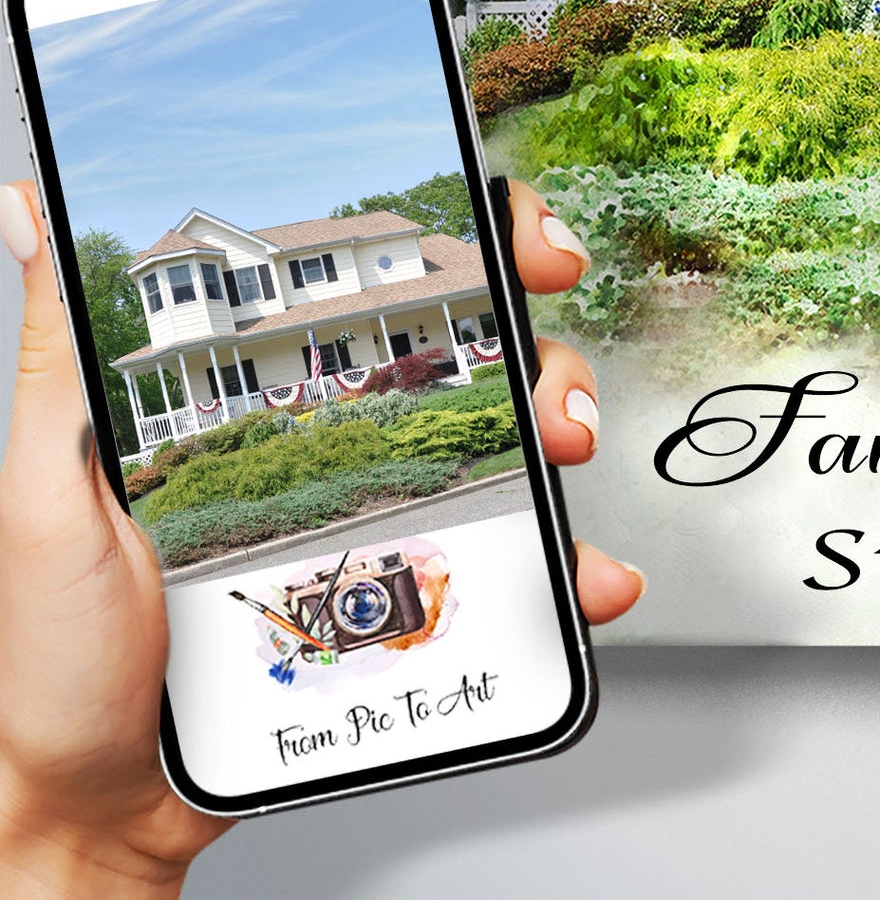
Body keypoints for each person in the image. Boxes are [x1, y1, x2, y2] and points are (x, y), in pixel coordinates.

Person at [0, 178, 642, 897]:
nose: (182, 291)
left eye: (188, 282)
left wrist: (75, 835)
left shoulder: (393, 263)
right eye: (173, 287)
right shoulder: (205, 325)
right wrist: (74, 822)